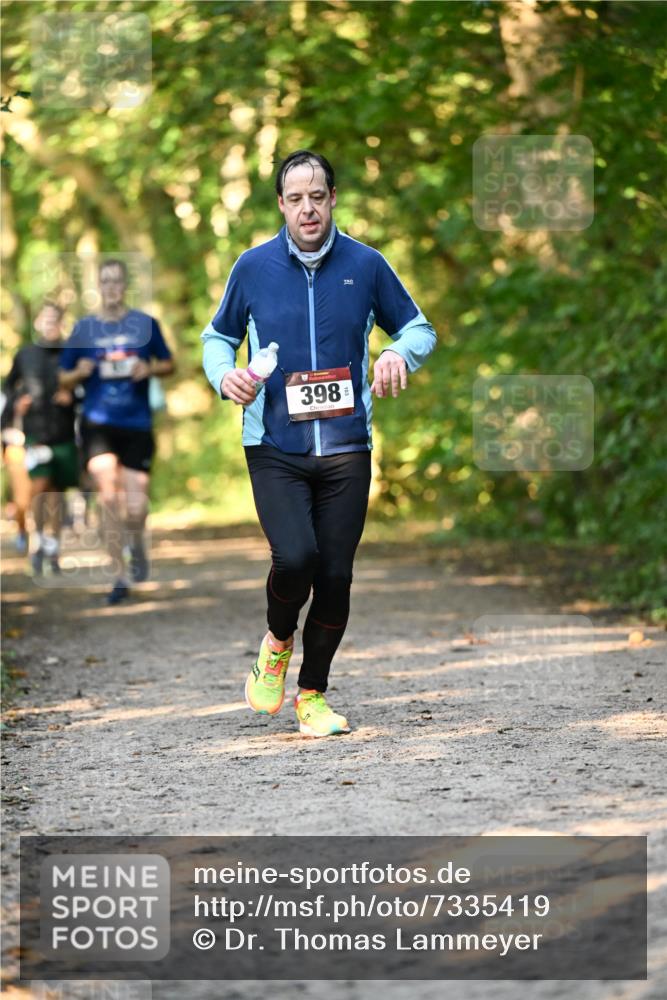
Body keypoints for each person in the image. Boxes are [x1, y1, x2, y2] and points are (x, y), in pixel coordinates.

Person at [202, 150, 436, 737]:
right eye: (295, 198)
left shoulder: (367, 263)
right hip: (274, 444)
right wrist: (222, 375)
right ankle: (278, 642)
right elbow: (217, 337)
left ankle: (313, 694)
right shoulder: (253, 268)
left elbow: (418, 327)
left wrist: (396, 352)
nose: (308, 208)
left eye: (318, 196)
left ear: (333, 199)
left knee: (335, 574)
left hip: (347, 446)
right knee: (296, 558)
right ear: (281, 205)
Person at [59, 259, 174, 604]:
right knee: (108, 496)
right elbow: (62, 379)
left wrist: (148, 367)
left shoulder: (145, 325)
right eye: (105, 282)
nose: (111, 288)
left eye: (116, 281)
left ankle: (135, 542)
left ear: (125, 286)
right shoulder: (83, 330)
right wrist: (78, 372)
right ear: (98, 287)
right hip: (97, 422)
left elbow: (170, 363)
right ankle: (118, 576)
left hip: (137, 423)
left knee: (136, 507)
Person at [2, 301, 78, 573]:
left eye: (54, 320)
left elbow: (86, 388)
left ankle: (52, 548)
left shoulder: (71, 353)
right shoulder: (25, 355)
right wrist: (16, 403)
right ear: (37, 324)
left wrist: (73, 396)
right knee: (39, 488)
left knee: (56, 493)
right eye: (45, 320)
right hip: (35, 434)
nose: (50, 325)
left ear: (61, 323)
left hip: (64, 433)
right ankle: (38, 542)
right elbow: (8, 388)